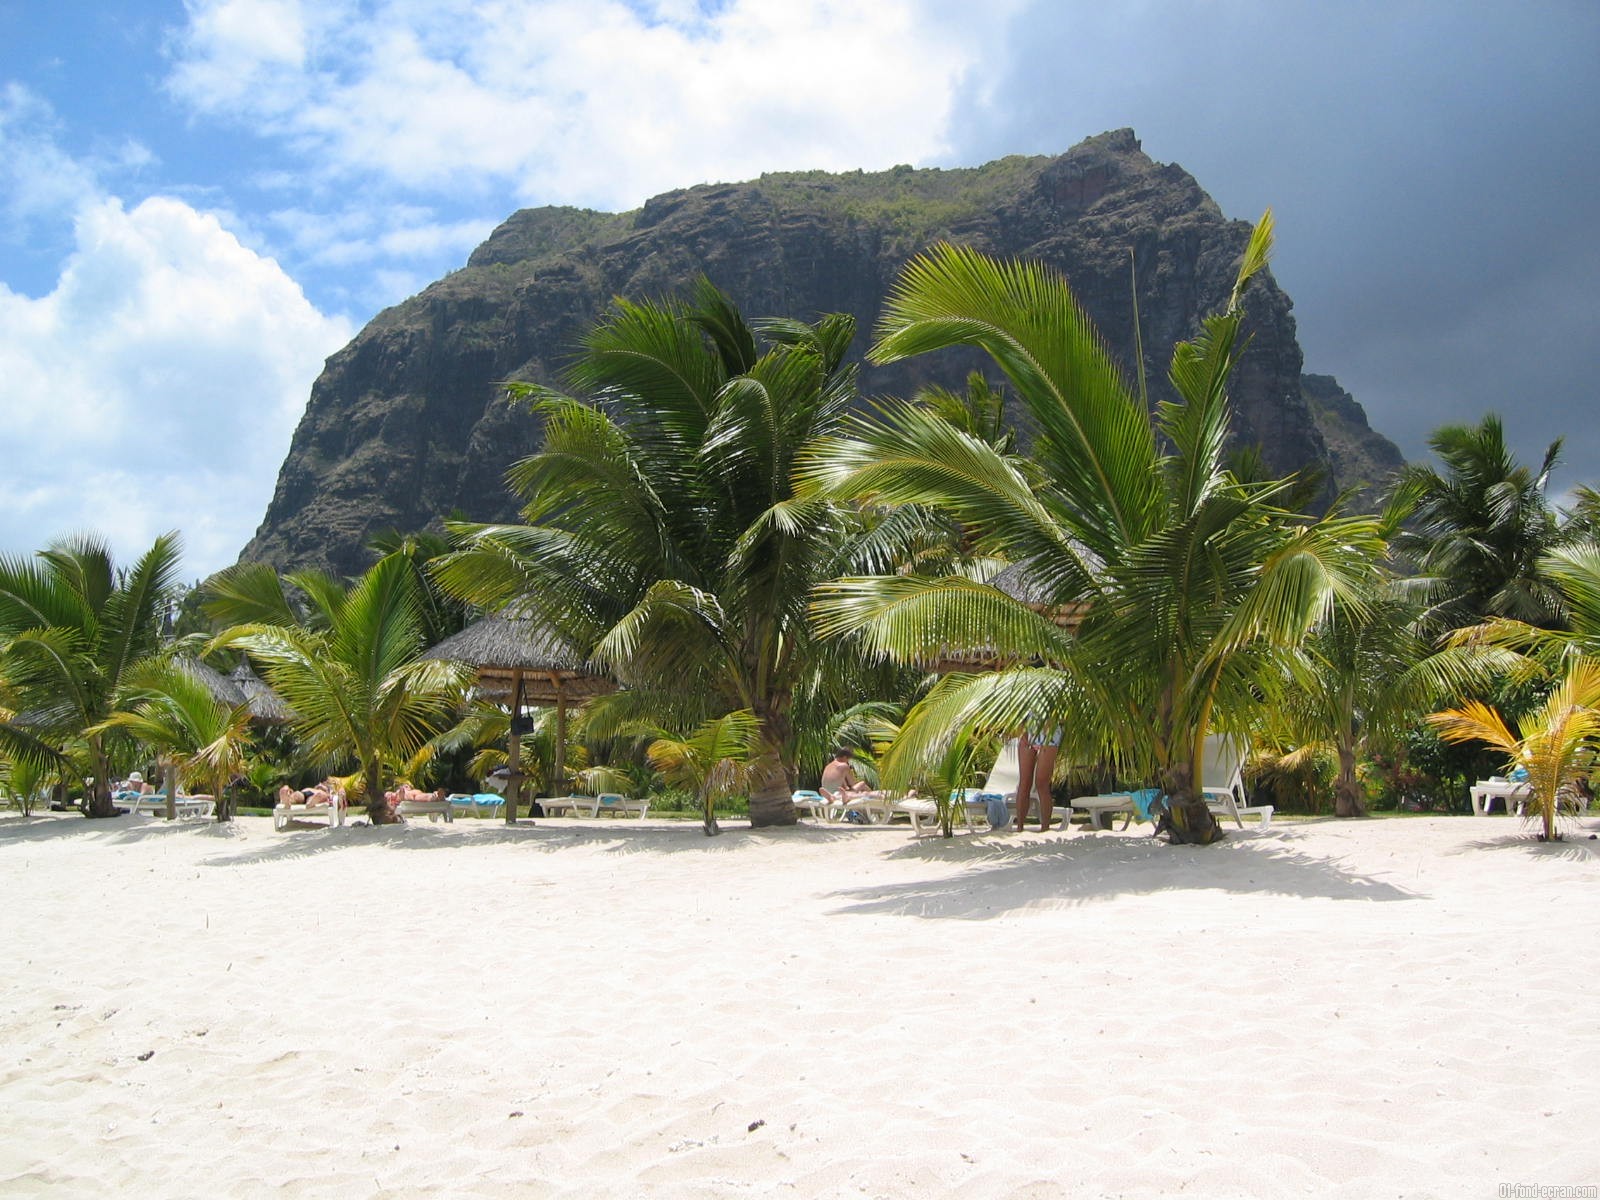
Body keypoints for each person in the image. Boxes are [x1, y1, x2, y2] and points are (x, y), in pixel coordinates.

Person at [1015, 719, 1063, 832]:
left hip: (1050, 733)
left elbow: (1063, 716)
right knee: (1024, 783)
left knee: (1041, 783)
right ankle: (1019, 827)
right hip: (1029, 731)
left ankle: (1045, 827)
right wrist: (1021, 729)